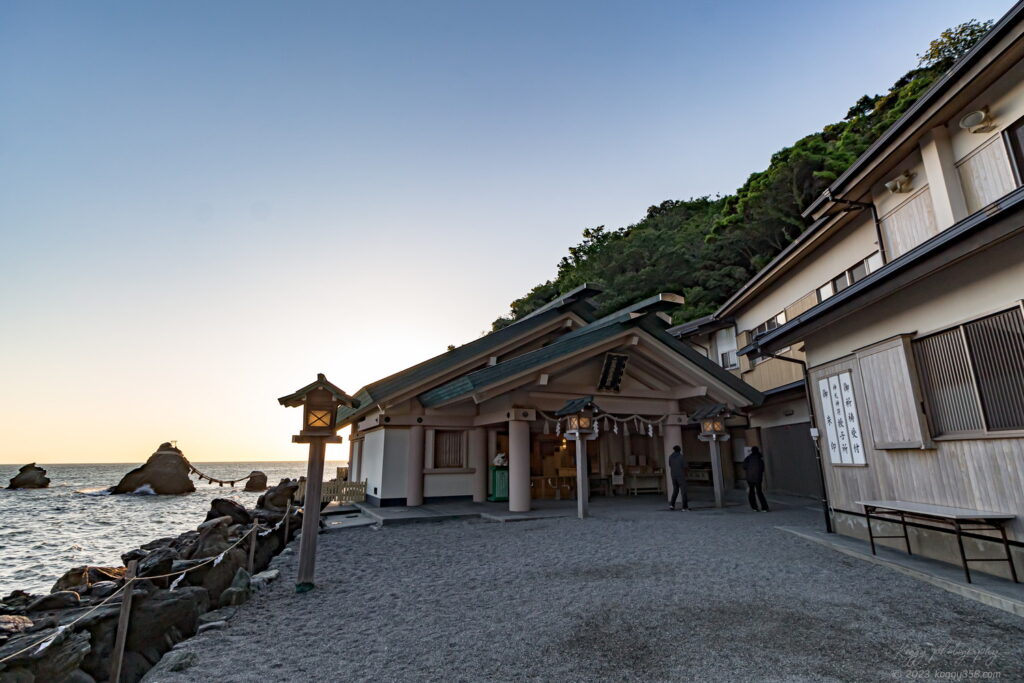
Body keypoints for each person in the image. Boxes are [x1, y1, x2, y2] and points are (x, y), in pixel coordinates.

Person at [743, 446, 770, 512]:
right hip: (758, 478)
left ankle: (754, 507)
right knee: (759, 492)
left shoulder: (748, 458)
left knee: (751, 492)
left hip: (749, 478)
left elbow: (744, 467)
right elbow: (762, 468)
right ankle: (764, 507)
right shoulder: (760, 458)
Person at [667, 445, 689, 511]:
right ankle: (684, 507)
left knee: (675, 490)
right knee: (683, 491)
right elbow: (685, 467)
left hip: (673, 476)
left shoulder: (670, 457)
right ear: (679, 450)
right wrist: (686, 474)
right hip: (681, 476)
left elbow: (670, 465)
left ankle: (672, 505)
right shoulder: (681, 457)